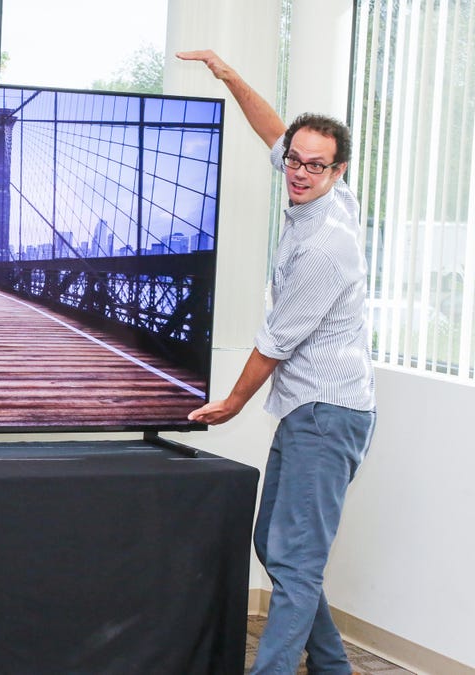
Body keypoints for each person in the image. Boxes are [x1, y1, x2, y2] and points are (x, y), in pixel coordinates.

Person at [178, 49, 377, 675]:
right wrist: (232, 76)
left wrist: (231, 405)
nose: (296, 171)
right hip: (307, 407)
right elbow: (273, 129)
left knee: (295, 564)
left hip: (328, 411)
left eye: (314, 166)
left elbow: (274, 342)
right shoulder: (309, 182)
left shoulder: (326, 245)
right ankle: (334, 666)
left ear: (336, 172)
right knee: (274, 544)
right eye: (293, 159)